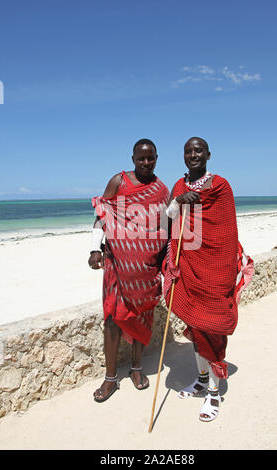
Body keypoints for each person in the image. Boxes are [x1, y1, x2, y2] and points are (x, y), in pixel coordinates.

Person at [164, 137, 253, 421]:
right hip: (188, 265)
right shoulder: (178, 186)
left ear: (208, 155)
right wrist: (179, 200)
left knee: (212, 329)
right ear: (183, 156)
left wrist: (226, 271)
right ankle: (202, 380)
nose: (193, 155)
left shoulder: (221, 186)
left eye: (198, 150)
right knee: (194, 324)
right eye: (188, 151)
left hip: (214, 269)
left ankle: (214, 394)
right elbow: (169, 216)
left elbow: (227, 231)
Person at [88, 139, 169, 402]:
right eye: (141, 158)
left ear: (157, 158)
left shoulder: (160, 190)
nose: (146, 163)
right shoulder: (118, 182)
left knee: (142, 316)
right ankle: (110, 378)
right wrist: (95, 250)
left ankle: (136, 369)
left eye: (151, 158)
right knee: (113, 317)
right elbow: (102, 215)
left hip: (147, 267)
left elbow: (166, 226)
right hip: (116, 264)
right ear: (132, 158)